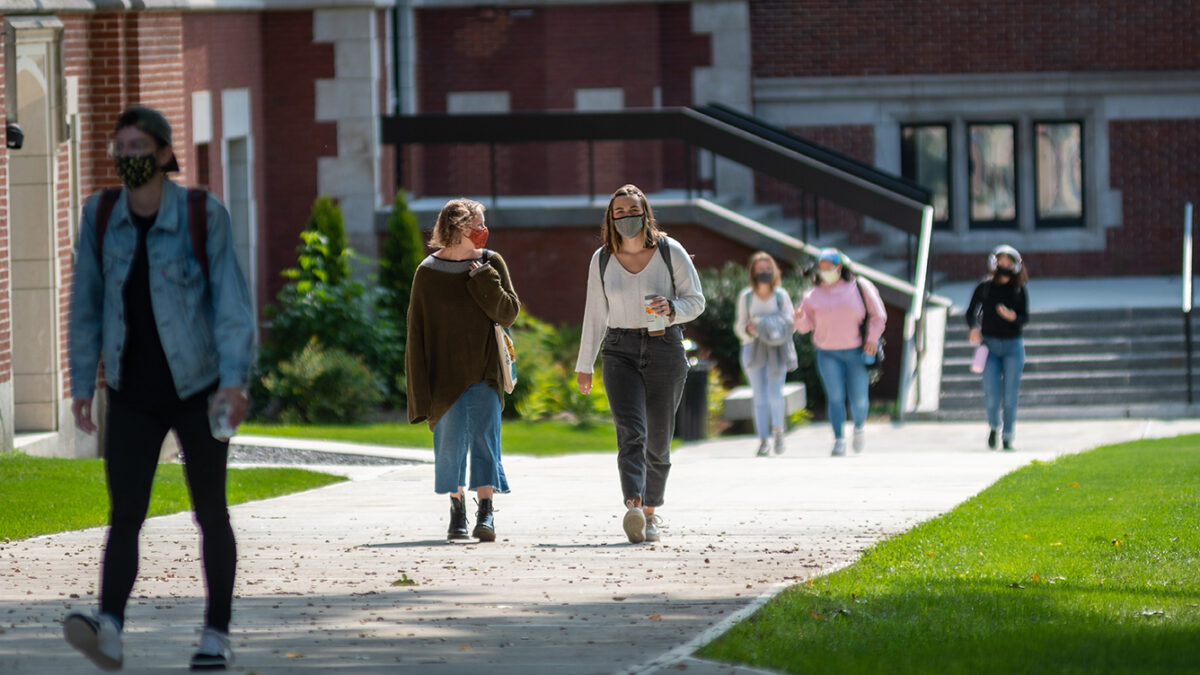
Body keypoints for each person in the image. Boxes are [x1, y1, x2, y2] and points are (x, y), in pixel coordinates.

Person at [65, 105, 255, 671]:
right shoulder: (100, 216)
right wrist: (81, 382)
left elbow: (231, 305)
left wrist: (234, 381)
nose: (128, 157)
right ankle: (110, 627)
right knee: (125, 512)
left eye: (139, 147)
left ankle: (216, 634)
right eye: (120, 148)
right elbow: (87, 307)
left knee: (210, 511)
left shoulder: (203, 215)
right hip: (130, 391)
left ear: (167, 154)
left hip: (199, 389)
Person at [575, 184, 706, 544]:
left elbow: (697, 301)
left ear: (645, 213)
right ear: (610, 218)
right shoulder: (602, 258)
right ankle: (633, 505)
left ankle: (651, 511)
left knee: (659, 440)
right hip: (619, 350)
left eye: (633, 211)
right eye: (619, 213)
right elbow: (594, 314)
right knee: (631, 433)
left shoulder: (670, 251)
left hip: (664, 347)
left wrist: (673, 308)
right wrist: (584, 364)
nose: (626, 218)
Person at [407, 198, 520, 542]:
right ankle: (457, 511)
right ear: (458, 228)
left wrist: (484, 278)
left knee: (486, 441)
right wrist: (419, 394)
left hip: (485, 371)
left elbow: (509, 312)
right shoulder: (427, 273)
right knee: (450, 444)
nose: (484, 231)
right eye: (478, 225)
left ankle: (485, 514)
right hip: (443, 376)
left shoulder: (490, 262)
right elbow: (417, 334)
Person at [793, 248, 886, 456]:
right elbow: (805, 326)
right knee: (835, 397)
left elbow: (878, 315)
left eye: (829, 266)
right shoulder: (811, 295)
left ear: (840, 267)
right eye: (821, 267)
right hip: (827, 353)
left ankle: (859, 427)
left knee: (859, 399)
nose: (825, 271)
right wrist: (799, 318)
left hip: (856, 352)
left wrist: (872, 338)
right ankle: (838, 440)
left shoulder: (860, 286)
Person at [966, 245, 1030, 451]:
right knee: (992, 394)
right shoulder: (985, 287)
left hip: (1013, 347)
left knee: (1010, 395)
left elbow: (1024, 317)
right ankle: (994, 425)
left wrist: (1013, 317)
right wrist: (973, 327)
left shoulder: (1019, 289)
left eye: (1008, 261)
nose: (1004, 264)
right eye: (1001, 260)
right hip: (990, 347)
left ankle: (1008, 435)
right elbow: (970, 312)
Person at [734, 252, 797, 456]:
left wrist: (772, 327)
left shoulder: (781, 295)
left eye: (767, 269)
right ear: (753, 272)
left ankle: (778, 431)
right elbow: (739, 326)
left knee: (775, 393)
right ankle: (763, 440)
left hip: (777, 349)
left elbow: (791, 323)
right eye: (759, 269)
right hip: (752, 348)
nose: (764, 273)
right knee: (759, 395)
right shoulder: (746, 297)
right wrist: (749, 330)